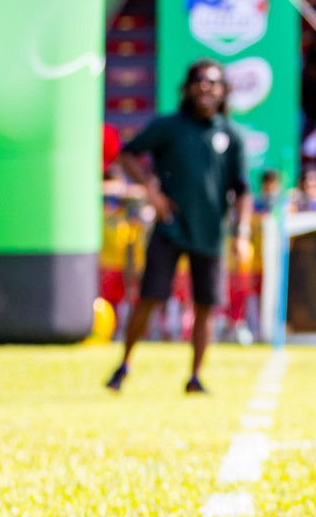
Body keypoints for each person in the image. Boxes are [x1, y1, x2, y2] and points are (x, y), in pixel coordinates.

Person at [106, 59, 252, 395]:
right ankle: (123, 366)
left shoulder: (231, 135)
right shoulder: (169, 127)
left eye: (214, 82)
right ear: (187, 87)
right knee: (150, 297)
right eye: (199, 80)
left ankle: (195, 376)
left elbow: (242, 190)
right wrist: (152, 192)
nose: (206, 87)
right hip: (170, 228)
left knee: (205, 306)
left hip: (210, 232)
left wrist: (241, 233)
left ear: (224, 90)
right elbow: (128, 154)